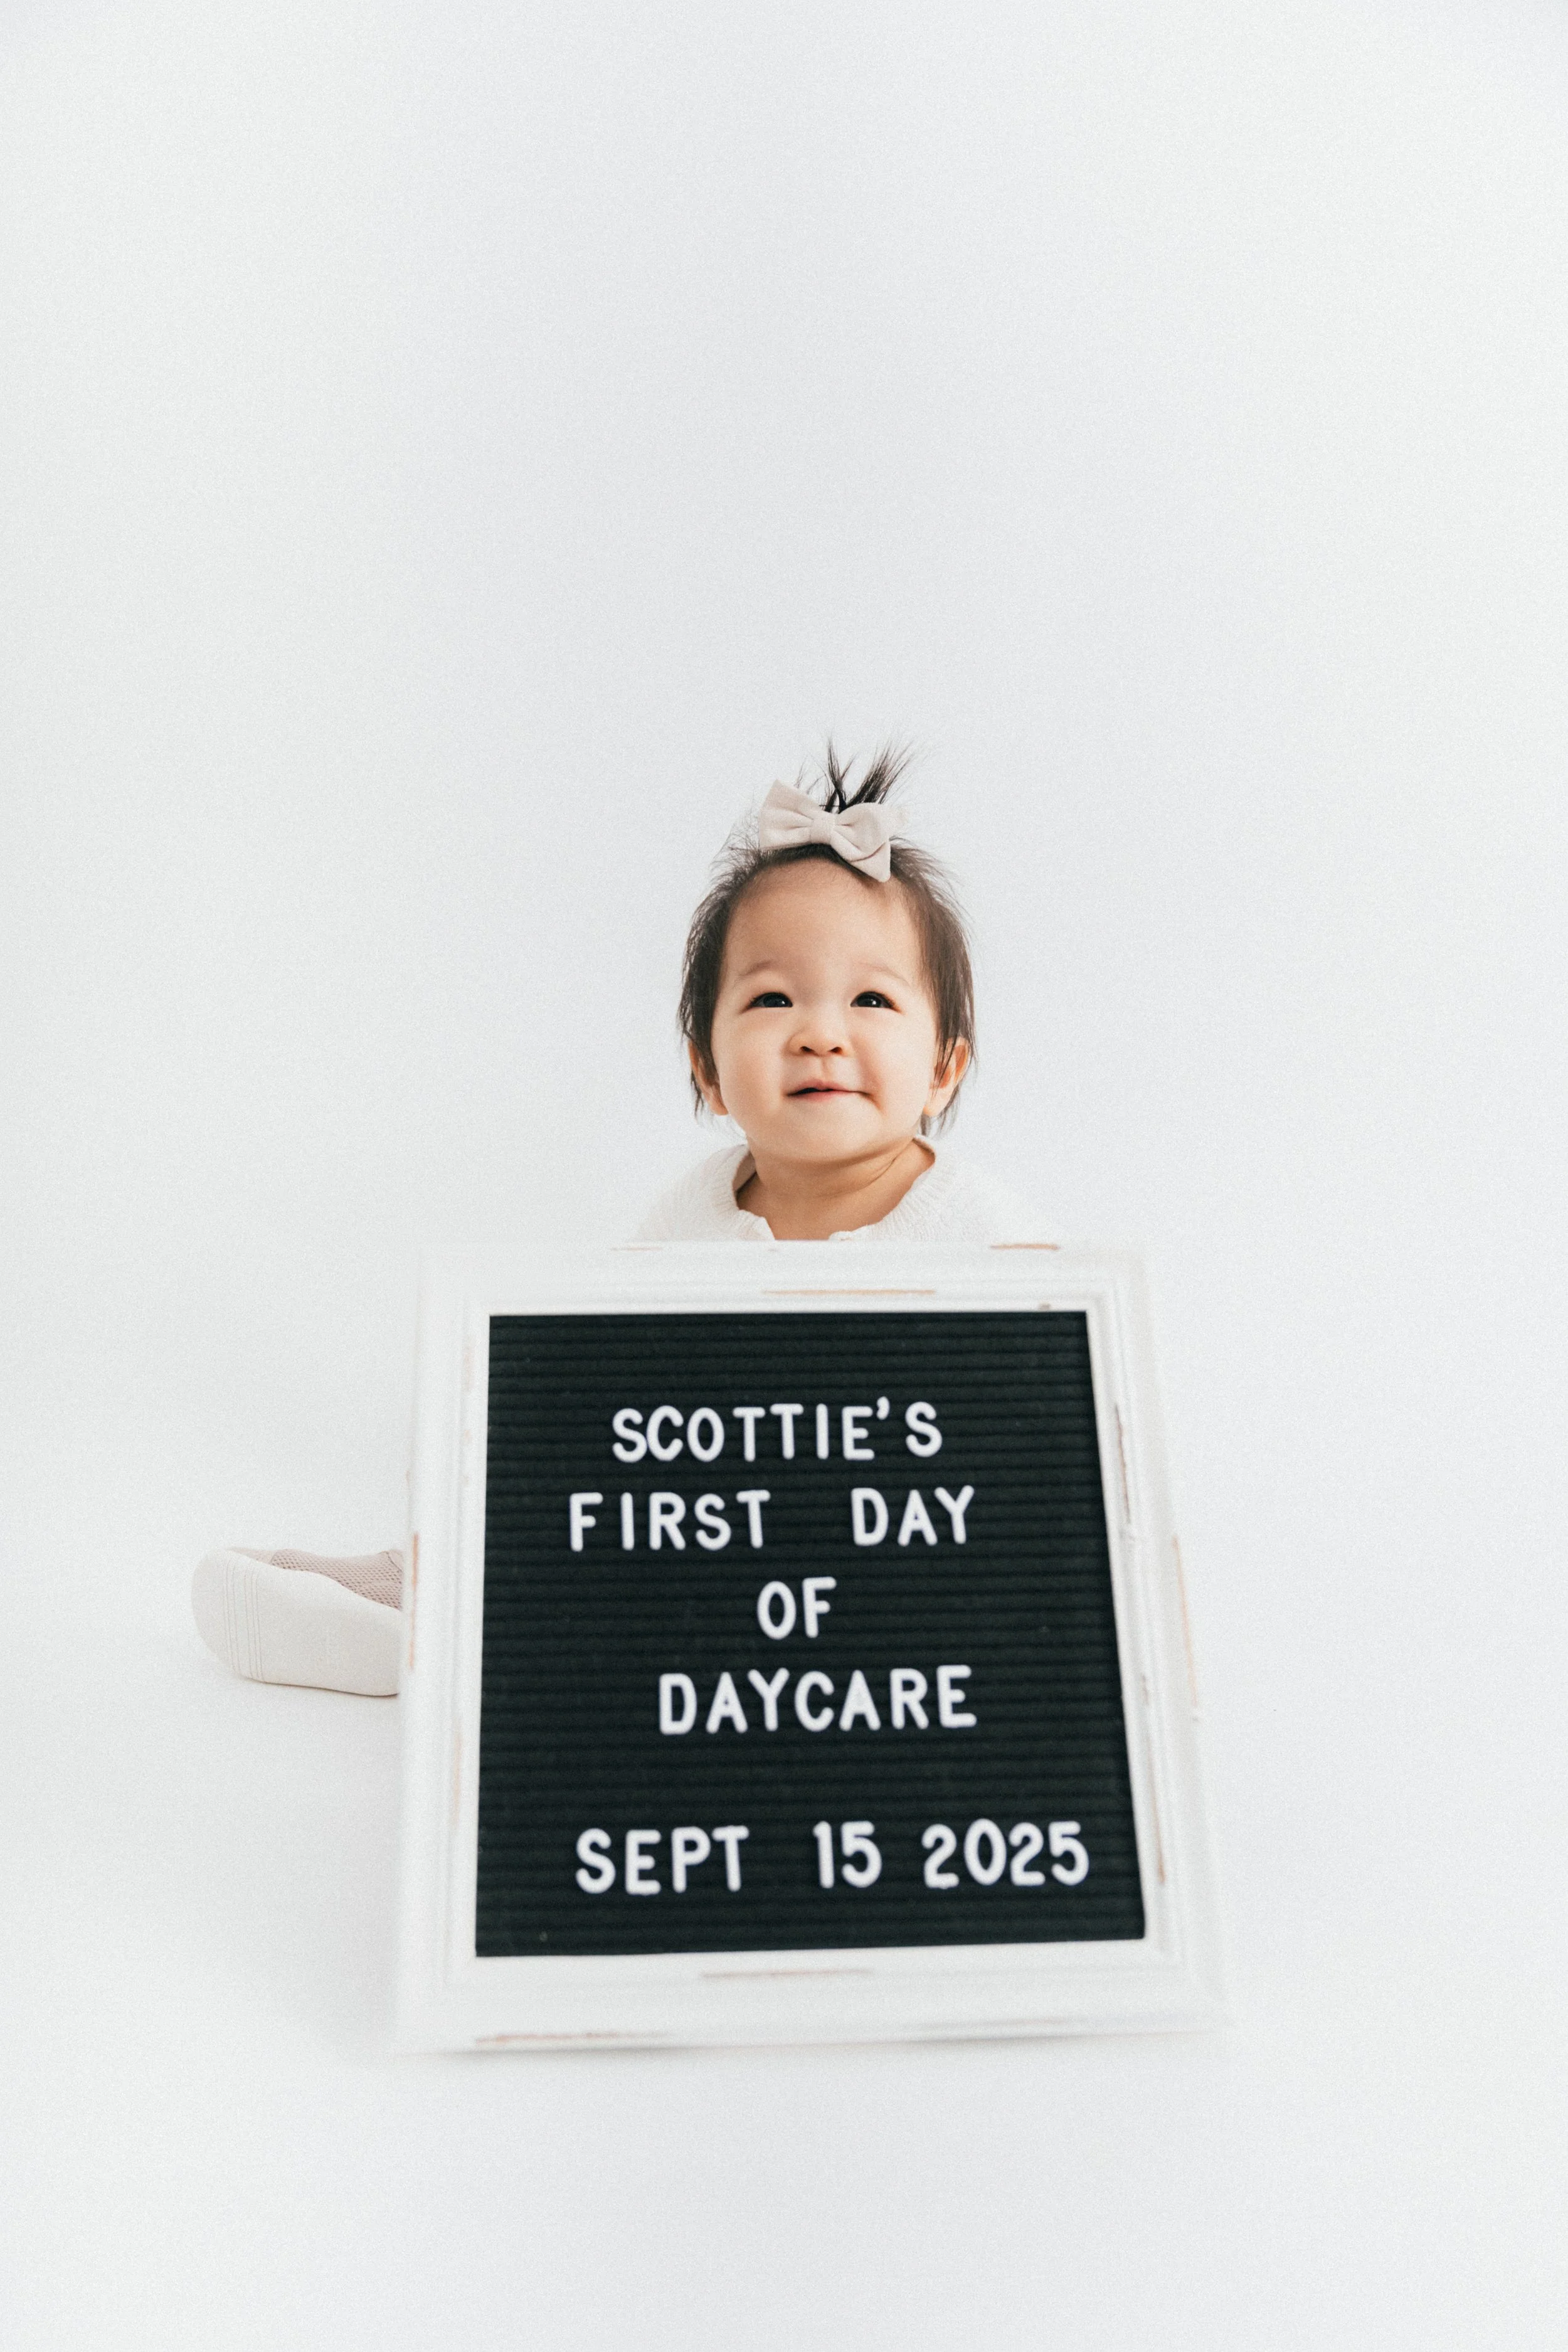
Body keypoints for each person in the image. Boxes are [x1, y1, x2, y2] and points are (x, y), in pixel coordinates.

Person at [191, 748, 1040, 1697]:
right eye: (771, 998)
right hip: (706, 1525)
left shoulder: (980, 1232)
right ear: (707, 1070)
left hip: (873, 1572)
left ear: (944, 1068)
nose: (820, 1032)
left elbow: (1034, 1432)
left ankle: (446, 1635)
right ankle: (427, 1578)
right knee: (522, 1454)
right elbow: (607, 1374)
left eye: (872, 999)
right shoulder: (695, 1211)